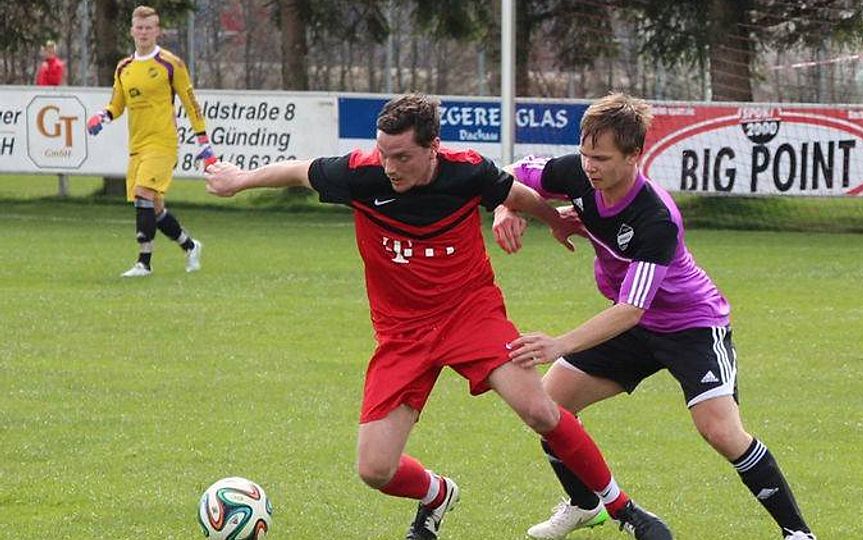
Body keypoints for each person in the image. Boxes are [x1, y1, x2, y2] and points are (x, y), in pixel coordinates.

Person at [204, 93, 673, 540]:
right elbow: (298, 171)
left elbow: (518, 194)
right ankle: (437, 495)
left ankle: (622, 509)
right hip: (402, 333)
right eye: (383, 153)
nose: (389, 167)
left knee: (539, 409)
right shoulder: (361, 175)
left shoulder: (467, 172)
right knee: (375, 469)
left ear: (433, 148)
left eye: (402, 156)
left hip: (471, 314)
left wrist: (552, 220)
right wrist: (238, 180)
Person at [494, 93, 816, 540]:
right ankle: (585, 505)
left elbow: (631, 308)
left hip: (691, 325)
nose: (590, 166)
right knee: (546, 408)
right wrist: (506, 207)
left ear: (634, 156)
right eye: (586, 154)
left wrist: (560, 343)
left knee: (720, 431)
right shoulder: (576, 171)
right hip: (633, 324)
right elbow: (507, 176)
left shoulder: (656, 216)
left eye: (602, 158)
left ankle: (797, 533)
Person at [86, 5, 213, 277]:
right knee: (153, 208)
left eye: (149, 28)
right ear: (132, 31)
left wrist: (203, 141)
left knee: (144, 192)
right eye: (139, 28)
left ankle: (144, 263)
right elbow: (116, 105)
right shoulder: (124, 68)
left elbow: (191, 103)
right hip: (137, 147)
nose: (144, 32)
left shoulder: (170, 64)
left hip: (163, 144)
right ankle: (190, 246)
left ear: (157, 31)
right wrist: (102, 117)